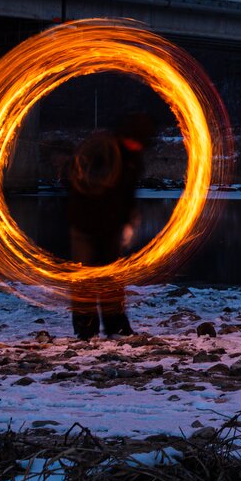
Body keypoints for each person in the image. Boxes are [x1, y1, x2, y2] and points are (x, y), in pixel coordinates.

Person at [65, 112, 155, 340]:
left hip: (111, 226)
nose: (137, 145)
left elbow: (128, 194)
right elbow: (74, 176)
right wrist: (97, 188)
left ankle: (116, 327)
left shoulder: (133, 159)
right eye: (136, 140)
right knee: (84, 279)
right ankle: (86, 329)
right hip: (85, 224)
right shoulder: (102, 148)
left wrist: (128, 219)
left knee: (112, 280)